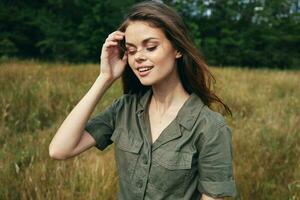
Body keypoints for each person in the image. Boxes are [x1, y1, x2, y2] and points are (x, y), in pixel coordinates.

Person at [49, 1, 237, 200]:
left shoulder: (209, 127)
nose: (138, 57)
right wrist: (105, 77)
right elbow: (60, 149)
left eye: (150, 47)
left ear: (178, 49)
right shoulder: (124, 109)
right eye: (131, 50)